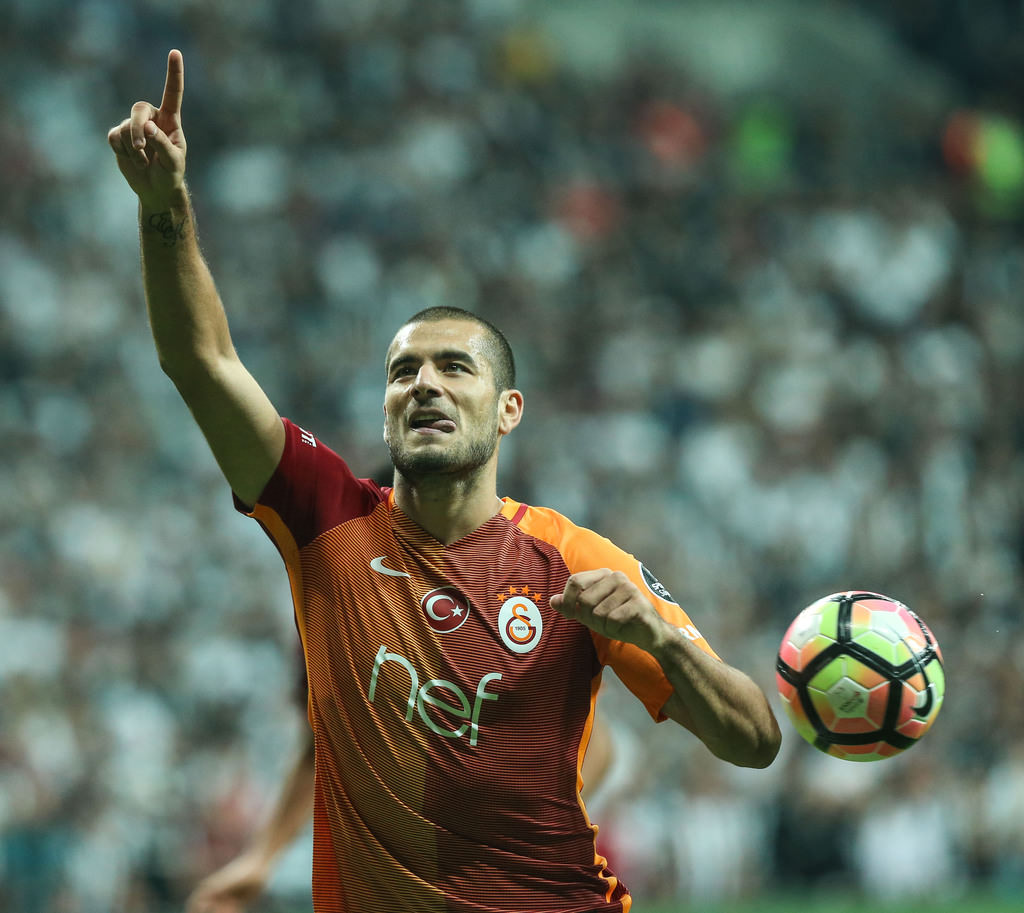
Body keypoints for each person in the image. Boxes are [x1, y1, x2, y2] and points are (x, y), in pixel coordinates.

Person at [109, 49, 781, 913]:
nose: (424, 383)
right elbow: (201, 361)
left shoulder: (573, 559)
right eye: (403, 371)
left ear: (507, 410)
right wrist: (164, 205)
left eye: (454, 367)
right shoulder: (326, 520)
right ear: (386, 407)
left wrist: (662, 637)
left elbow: (755, 741)